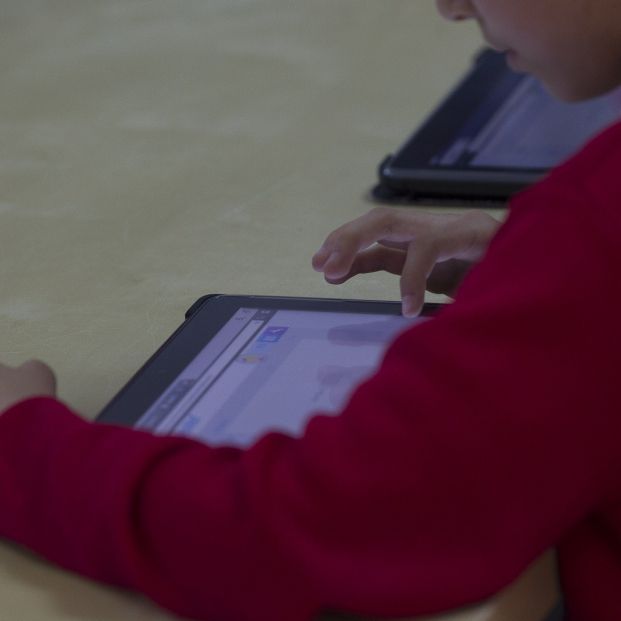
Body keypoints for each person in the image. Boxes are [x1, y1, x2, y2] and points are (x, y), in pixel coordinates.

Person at [0, 1, 620, 619]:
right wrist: (528, 276)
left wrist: (24, 448)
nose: (451, 7)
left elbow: (321, 530)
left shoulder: (595, 231)